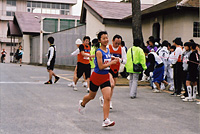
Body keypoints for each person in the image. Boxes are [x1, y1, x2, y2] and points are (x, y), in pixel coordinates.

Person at [78, 31, 118, 127]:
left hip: (105, 77)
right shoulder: (98, 51)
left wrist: (114, 57)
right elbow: (100, 66)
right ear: (100, 40)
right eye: (103, 38)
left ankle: (106, 120)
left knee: (107, 98)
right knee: (91, 96)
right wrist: (112, 63)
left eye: (107, 38)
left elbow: (107, 57)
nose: (106, 40)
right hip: (96, 77)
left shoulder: (107, 49)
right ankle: (82, 104)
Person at [99, 34, 127, 109]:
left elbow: (125, 61)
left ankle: (104, 98)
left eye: (119, 43)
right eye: (116, 43)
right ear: (112, 41)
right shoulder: (108, 47)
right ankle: (108, 101)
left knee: (113, 86)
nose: (117, 45)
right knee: (111, 84)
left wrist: (119, 60)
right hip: (108, 68)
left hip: (116, 69)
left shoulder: (122, 49)